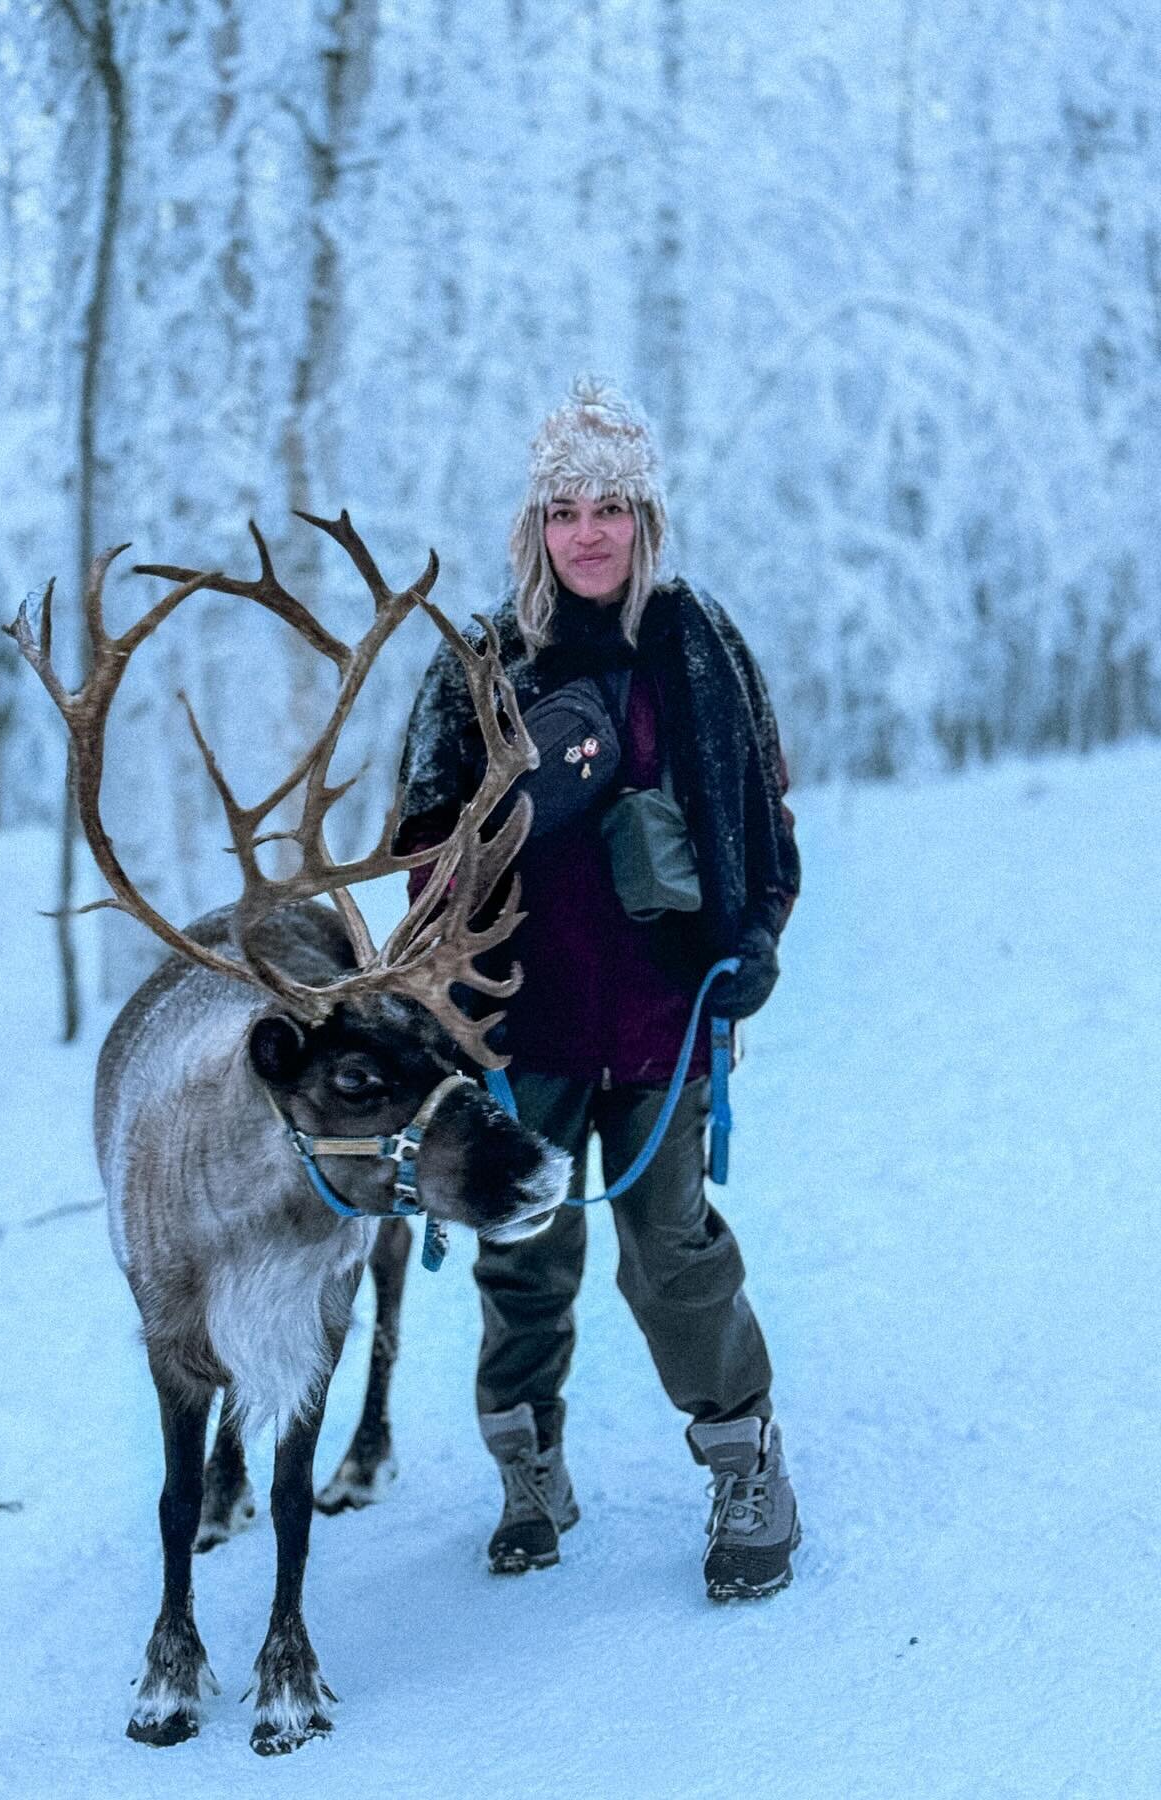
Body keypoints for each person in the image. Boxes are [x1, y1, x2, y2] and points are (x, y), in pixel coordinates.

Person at [393, 377, 802, 1600]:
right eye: (564, 508)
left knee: (668, 1249)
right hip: (522, 1025)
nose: (588, 531)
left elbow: (762, 818)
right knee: (519, 1250)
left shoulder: (699, 649)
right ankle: (530, 1468)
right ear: (533, 526)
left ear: (646, 520)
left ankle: (745, 1461)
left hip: (665, 1019)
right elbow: (417, 857)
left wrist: (757, 935)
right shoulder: (478, 667)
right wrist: (516, 809)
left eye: (611, 506)